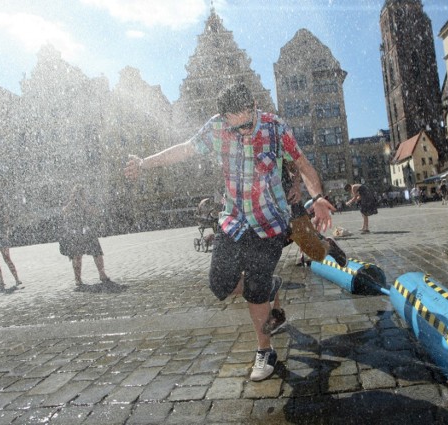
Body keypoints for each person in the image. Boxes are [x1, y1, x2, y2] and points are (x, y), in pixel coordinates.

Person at [124, 83, 335, 382]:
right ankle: (268, 288)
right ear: (225, 117)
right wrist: (145, 163)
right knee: (220, 285)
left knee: (255, 289)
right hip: (233, 220)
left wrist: (316, 198)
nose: (244, 133)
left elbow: (303, 165)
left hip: (269, 223)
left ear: (253, 106)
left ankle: (265, 349)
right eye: (236, 129)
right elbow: (184, 149)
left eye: (247, 125)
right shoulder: (216, 127)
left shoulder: (275, 128)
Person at [282, 160, 346, 267]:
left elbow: (298, 163)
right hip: (259, 207)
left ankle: (328, 246)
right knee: (263, 246)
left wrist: (296, 185)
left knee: (316, 251)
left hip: (289, 199)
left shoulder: (276, 145)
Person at [60, 184, 113, 286]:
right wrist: (72, 203)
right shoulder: (70, 204)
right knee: (77, 256)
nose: (79, 196)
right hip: (76, 232)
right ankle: (78, 279)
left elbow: (96, 212)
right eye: (77, 194)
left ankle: (102, 274)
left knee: (97, 253)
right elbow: (64, 212)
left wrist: (85, 205)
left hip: (87, 231)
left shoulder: (87, 202)